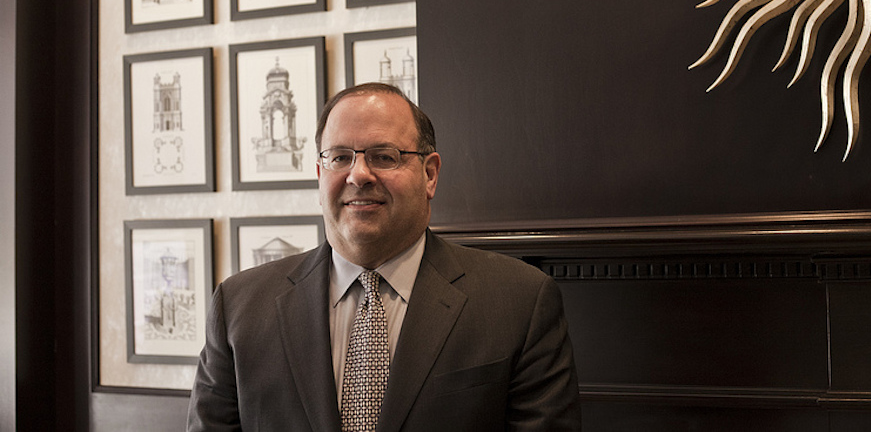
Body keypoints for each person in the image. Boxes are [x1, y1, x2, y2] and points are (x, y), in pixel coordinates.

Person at [187, 82, 581, 431]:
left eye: (384, 156)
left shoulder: (520, 302)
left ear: (429, 174)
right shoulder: (238, 307)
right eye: (340, 157)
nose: (358, 175)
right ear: (320, 176)